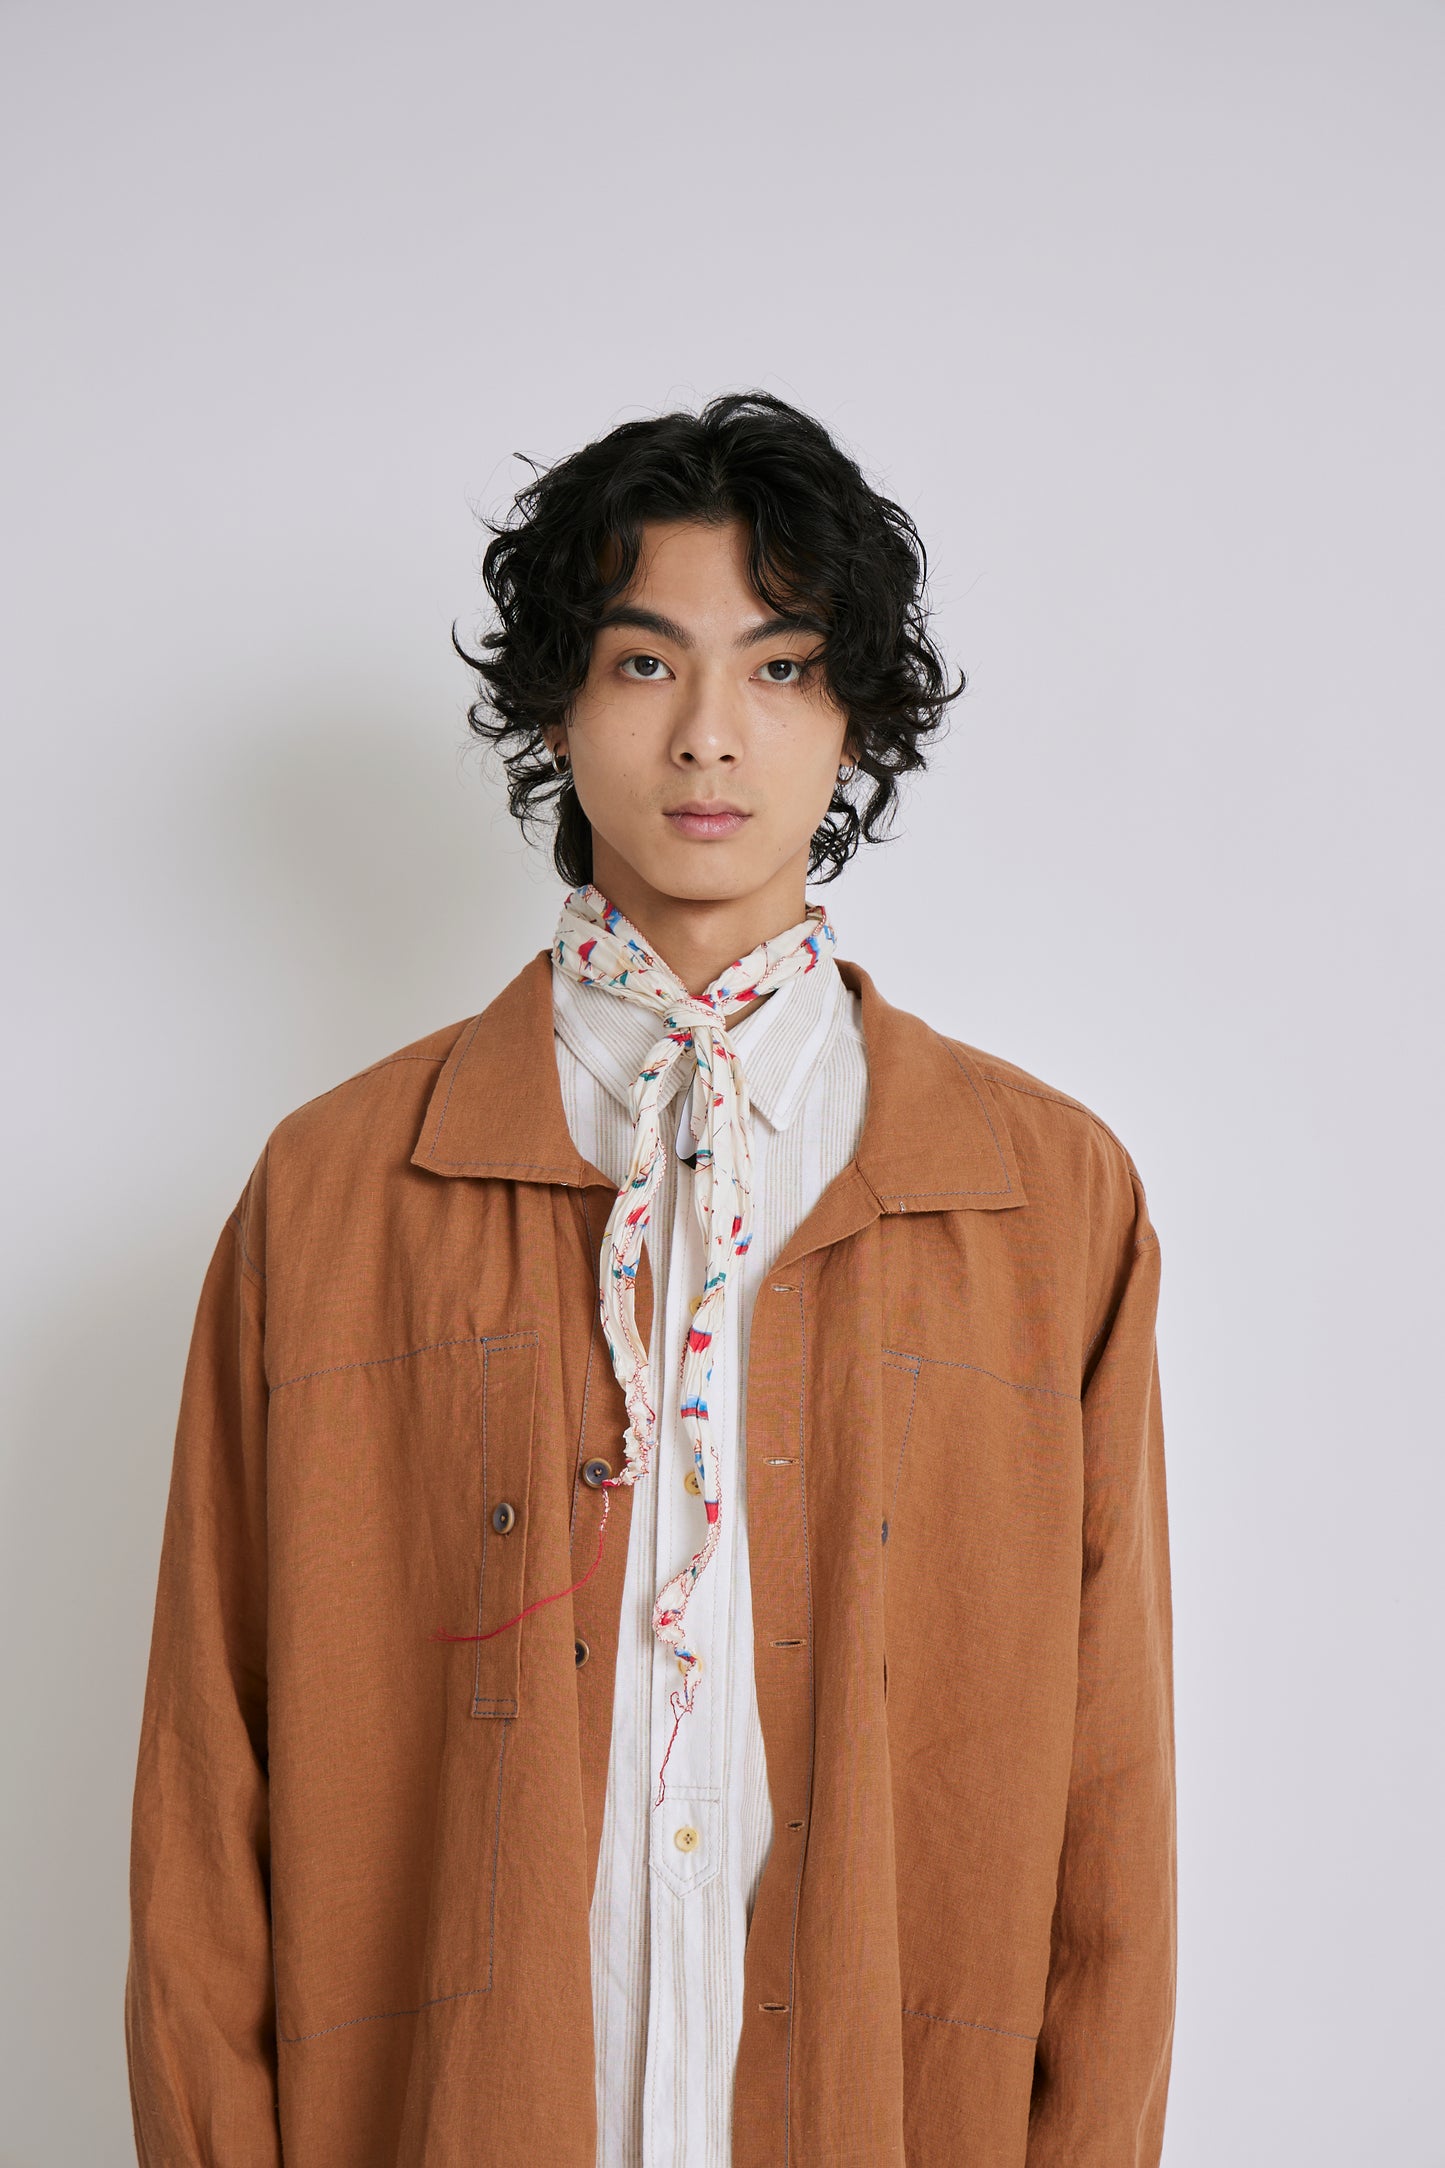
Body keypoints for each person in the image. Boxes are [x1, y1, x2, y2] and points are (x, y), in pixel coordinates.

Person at [125, 391, 1176, 2166]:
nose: (708, 735)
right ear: (556, 702)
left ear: (855, 719)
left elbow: (1110, 1805)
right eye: (641, 663)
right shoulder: (333, 1194)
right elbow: (203, 1793)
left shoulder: (1043, 1200)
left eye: (780, 668)